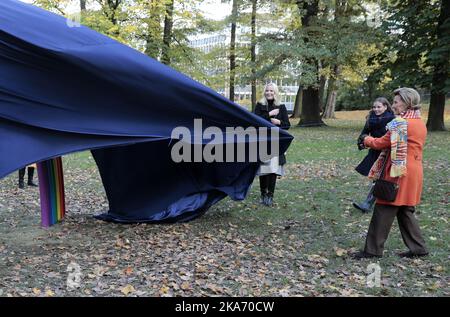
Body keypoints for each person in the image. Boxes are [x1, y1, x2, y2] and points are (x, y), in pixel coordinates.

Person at [353, 87, 428, 259]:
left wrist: (366, 139)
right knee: (405, 210)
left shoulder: (401, 123)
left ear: (407, 102)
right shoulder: (419, 122)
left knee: (383, 208)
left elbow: (381, 143)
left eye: (396, 102)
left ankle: (372, 250)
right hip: (414, 171)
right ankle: (419, 248)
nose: (393, 105)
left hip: (398, 171)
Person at [353, 98, 395, 213]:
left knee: (381, 177)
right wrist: (362, 141)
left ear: (385, 107)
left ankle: (368, 203)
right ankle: (372, 202)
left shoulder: (393, 119)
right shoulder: (370, 118)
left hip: (387, 152)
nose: (376, 109)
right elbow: (364, 132)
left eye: (379, 107)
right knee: (377, 177)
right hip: (374, 150)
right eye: (374, 107)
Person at [254, 83, 290, 206]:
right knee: (264, 168)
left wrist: (279, 121)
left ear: (275, 93)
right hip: (263, 140)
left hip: (276, 141)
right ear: (265, 92)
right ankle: (263, 193)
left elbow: (287, 125)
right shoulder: (260, 106)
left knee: (273, 169)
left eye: (272, 91)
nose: (269, 92)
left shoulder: (282, 107)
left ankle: (270, 195)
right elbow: (255, 121)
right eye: (267, 90)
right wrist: (269, 115)